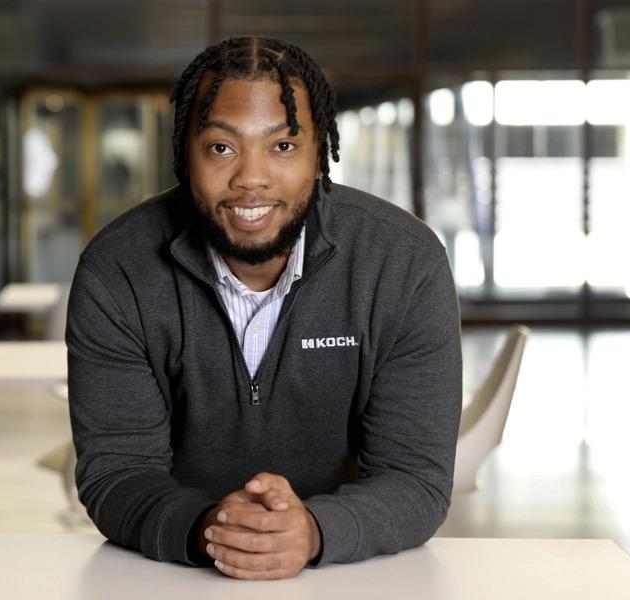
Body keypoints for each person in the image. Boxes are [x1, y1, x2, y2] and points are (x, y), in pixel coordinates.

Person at [66, 36, 462, 581]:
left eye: (282, 146)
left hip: (349, 576)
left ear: (319, 153)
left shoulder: (404, 263)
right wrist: (217, 527)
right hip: (173, 577)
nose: (251, 179)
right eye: (222, 147)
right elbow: (117, 472)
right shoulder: (119, 270)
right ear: (185, 152)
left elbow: (416, 478)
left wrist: (314, 531)